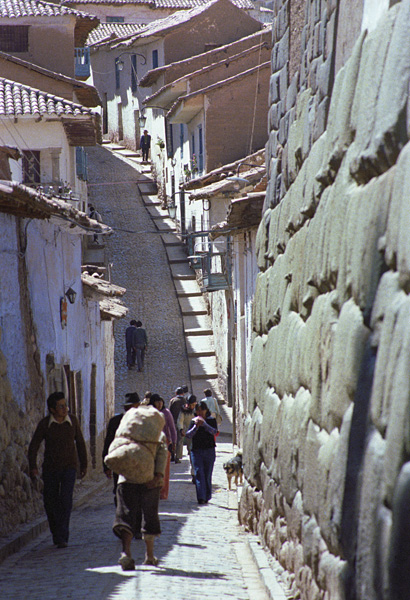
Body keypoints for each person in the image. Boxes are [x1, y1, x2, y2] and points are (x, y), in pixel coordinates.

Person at [28, 391, 87, 548]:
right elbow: (34, 445)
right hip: (51, 468)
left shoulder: (72, 421)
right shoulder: (45, 424)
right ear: (52, 409)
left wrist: (84, 464)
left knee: (66, 500)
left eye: (65, 405)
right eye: (61, 406)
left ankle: (62, 536)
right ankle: (56, 532)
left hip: (69, 467)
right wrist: (33, 466)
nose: (64, 408)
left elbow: (80, 443)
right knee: (51, 501)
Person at [113, 411, 168, 570]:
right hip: (149, 480)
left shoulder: (126, 433)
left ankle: (126, 553)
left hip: (126, 479)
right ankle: (149, 556)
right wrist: (158, 476)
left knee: (126, 515)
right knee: (149, 516)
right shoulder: (158, 434)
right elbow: (162, 454)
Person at [102, 392, 141, 504]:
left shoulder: (143, 422)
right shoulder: (115, 422)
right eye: (129, 407)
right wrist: (106, 466)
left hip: (138, 464)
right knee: (120, 491)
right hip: (120, 463)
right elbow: (109, 443)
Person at [185, 401, 218, 505]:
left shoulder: (211, 420)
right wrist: (196, 427)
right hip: (196, 451)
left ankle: (207, 495)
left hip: (209, 450)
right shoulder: (193, 421)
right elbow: (188, 435)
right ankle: (201, 497)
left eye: (201, 410)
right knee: (199, 473)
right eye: (198, 410)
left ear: (206, 410)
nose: (199, 412)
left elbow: (214, 432)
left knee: (207, 474)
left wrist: (204, 424)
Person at [148, 394, 176, 500]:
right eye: (157, 402)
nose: (160, 404)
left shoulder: (166, 413)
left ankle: (163, 492)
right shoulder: (150, 413)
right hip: (152, 443)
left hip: (165, 443)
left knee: (164, 468)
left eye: (161, 402)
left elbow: (172, 429)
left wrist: (174, 442)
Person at [177, 394, 197, 481]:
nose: (192, 406)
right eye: (190, 405)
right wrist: (181, 429)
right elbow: (180, 420)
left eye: (193, 405)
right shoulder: (184, 410)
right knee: (191, 453)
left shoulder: (198, 410)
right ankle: (193, 473)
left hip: (198, 434)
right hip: (189, 435)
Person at [168, 387, 186, 463]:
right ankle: (177, 457)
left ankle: (172, 454)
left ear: (176, 393)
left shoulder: (172, 400)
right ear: (183, 393)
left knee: (172, 439)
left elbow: (169, 411)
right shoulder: (185, 401)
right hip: (181, 423)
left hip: (173, 422)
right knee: (180, 440)